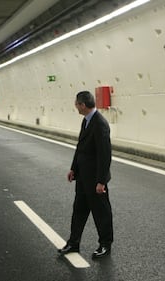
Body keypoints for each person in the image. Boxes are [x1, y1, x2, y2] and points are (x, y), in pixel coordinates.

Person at [58, 90, 114, 259]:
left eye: (76, 104)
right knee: (79, 211)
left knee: (101, 213)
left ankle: (105, 245)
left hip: (95, 180)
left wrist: (101, 181)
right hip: (83, 177)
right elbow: (80, 148)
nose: (75, 106)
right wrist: (73, 168)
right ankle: (73, 243)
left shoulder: (100, 124)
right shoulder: (86, 121)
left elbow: (105, 155)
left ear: (82, 105)